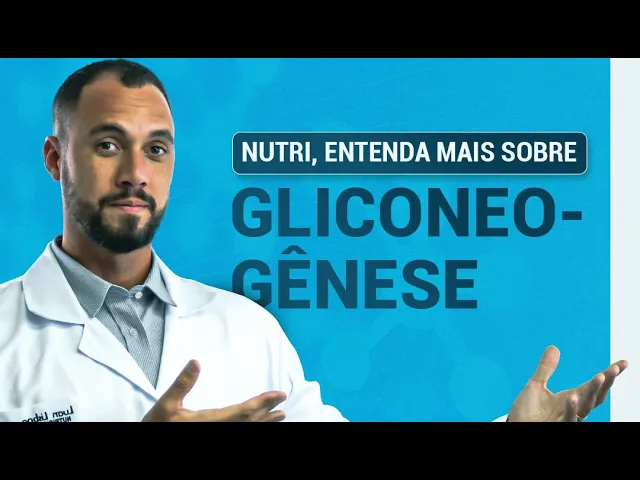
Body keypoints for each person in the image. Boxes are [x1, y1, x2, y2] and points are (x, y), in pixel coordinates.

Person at [0, 59, 627, 422]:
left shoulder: (243, 328)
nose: (136, 172)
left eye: (157, 149)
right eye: (109, 144)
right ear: (55, 159)